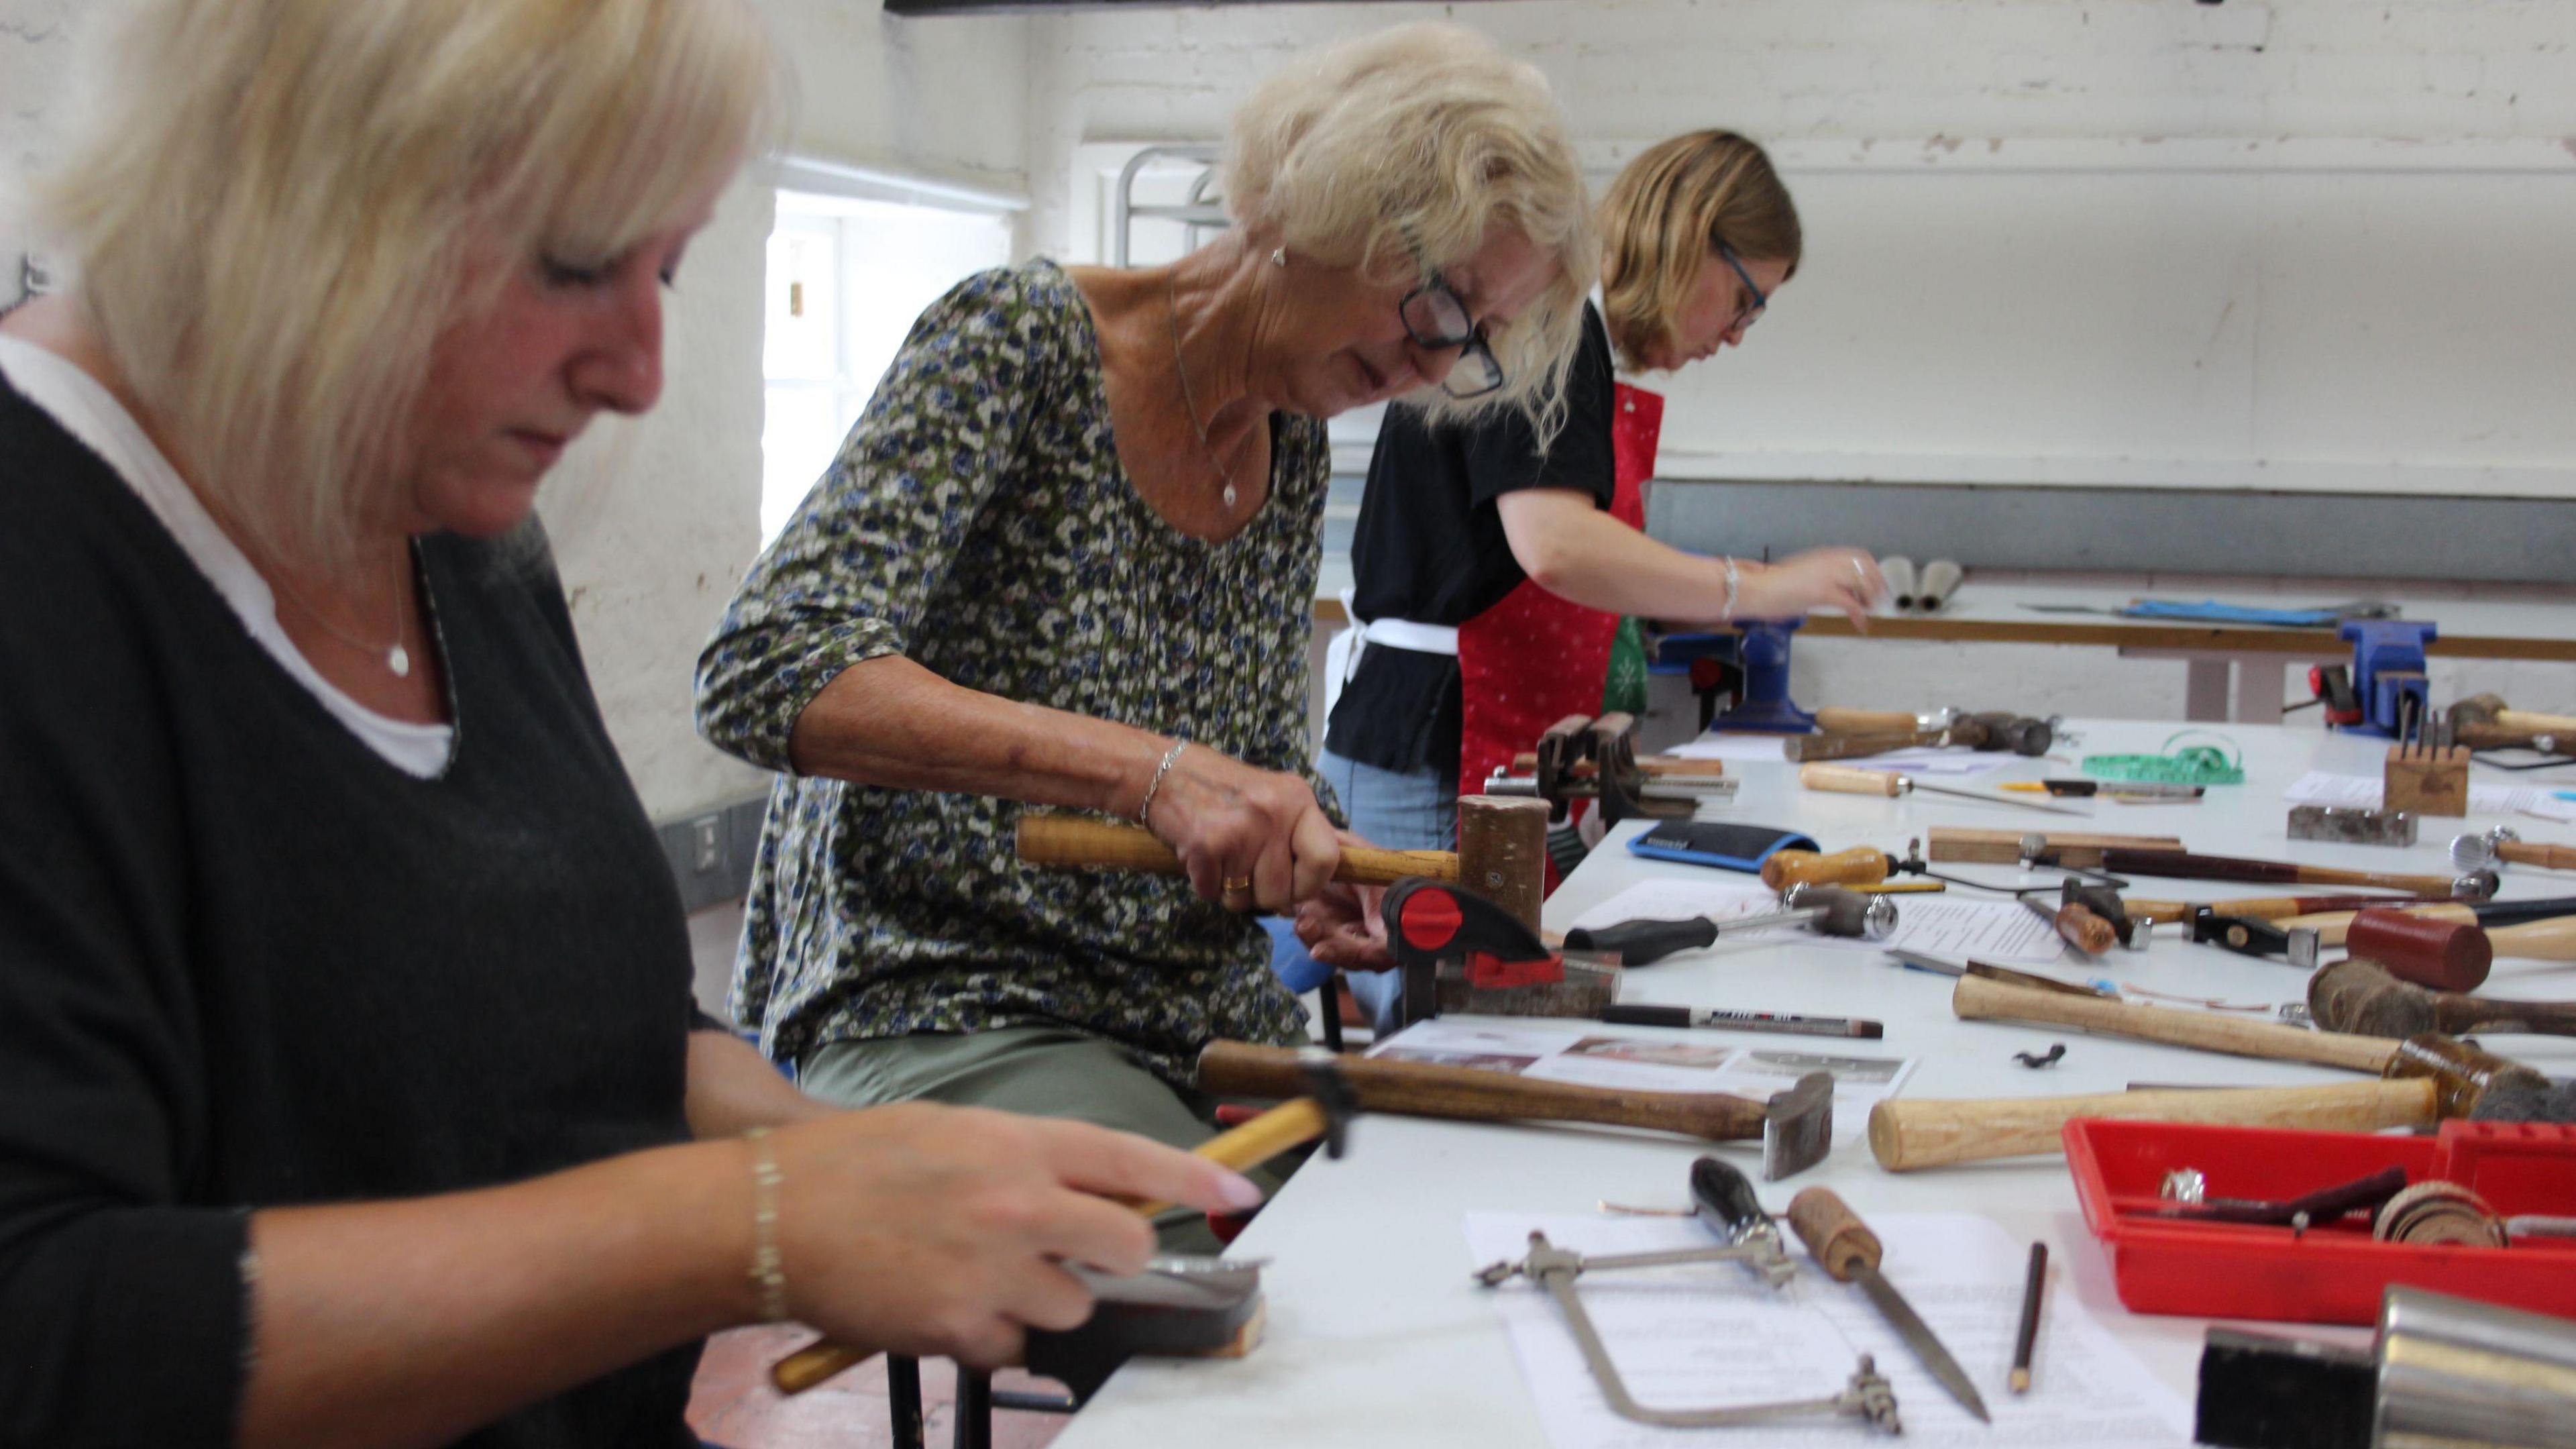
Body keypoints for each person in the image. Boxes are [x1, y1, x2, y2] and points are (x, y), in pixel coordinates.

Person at [0, 3, 1260, 1446]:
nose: (641, 373)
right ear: (294, 181)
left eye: (664, 269)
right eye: (577, 264)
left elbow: (588, 1028)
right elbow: (49, 1325)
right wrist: (748, 1225)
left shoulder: (431, 508)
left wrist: (860, 1164)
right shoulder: (48, 558)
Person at [693, 22, 1595, 1242]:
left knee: (1430, 1247)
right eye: (1440, 301)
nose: (1433, 361)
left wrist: (1295, 869)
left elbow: (1241, 757)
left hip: (1182, 1010)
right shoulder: (1023, 344)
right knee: (1223, 1286)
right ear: (1318, 206)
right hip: (941, 993)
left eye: (1473, 342)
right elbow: (763, 670)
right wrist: (1155, 776)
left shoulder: (1289, 437)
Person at [1317, 131, 1887, 1030]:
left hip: (1470, 734)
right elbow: (1555, 545)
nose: (1736, 335)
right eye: (1743, 301)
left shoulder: (1572, 337)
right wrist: (1763, 589)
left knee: (1491, 1013)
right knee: (1449, 1031)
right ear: (1691, 236)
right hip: (1435, 730)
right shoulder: (1548, 322)